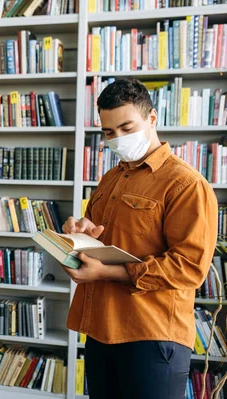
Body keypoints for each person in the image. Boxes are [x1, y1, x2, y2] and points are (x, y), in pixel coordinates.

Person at [62, 78, 218, 398]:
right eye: (109, 132)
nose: (118, 138)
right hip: (101, 329)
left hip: (152, 335)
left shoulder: (186, 184)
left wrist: (107, 272)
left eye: (126, 127)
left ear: (152, 119)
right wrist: (81, 234)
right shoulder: (111, 177)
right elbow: (103, 236)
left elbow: (189, 267)